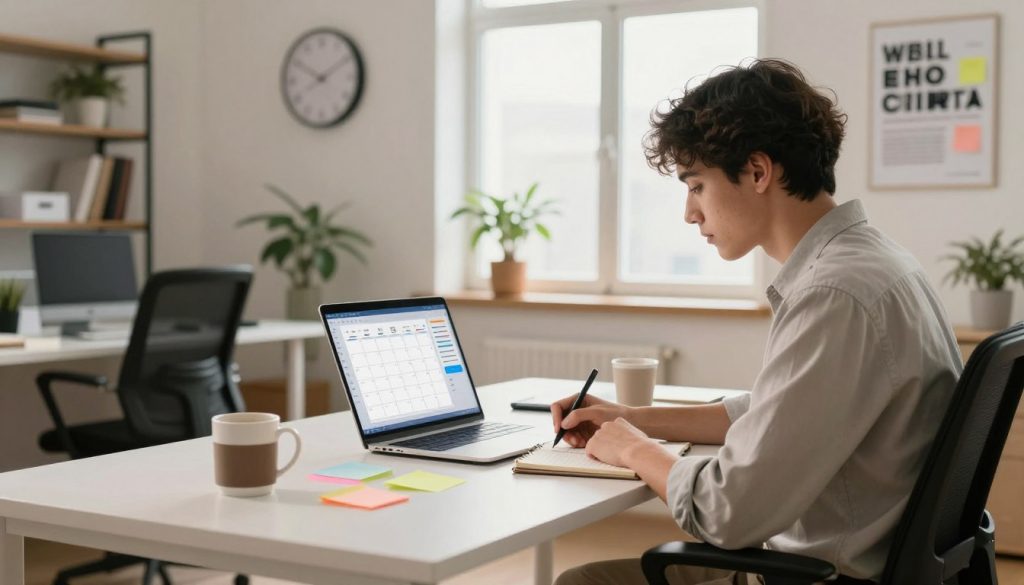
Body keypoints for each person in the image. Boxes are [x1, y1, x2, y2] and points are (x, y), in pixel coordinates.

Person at [551, 59, 962, 585]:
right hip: (861, 564)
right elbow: (779, 409)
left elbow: (728, 513)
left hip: (815, 576)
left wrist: (632, 448)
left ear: (759, 171)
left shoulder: (834, 294)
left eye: (696, 185)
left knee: (582, 582)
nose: (689, 213)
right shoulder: (875, 263)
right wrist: (634, 417)